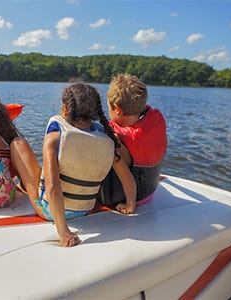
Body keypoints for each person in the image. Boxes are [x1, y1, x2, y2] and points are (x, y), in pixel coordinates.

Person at [10, 82, 136, 247]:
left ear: (65, 108)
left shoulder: (55, 138)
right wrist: (130, 204)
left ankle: (19, 186)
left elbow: (53, 188)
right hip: (84, 210)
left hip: (49, 211)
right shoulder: (106, 140)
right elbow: (128, 179)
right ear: (94, 111)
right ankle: (22, 186)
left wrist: (64, 233)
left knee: (18, 144)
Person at [99, 74, 167, 209]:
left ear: (117, 109)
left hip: (125, 198)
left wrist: (130, 204)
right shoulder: (155, 121)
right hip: (150, 192)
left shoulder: (117, 138)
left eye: (109, 107)